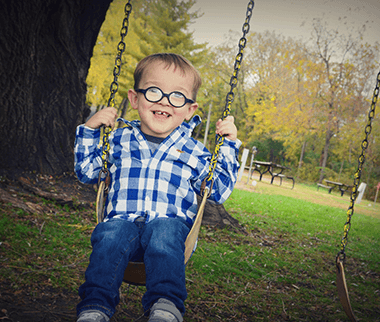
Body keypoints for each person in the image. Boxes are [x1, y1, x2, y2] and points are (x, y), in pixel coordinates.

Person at [74, 53, 241, 322]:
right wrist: (91, 130)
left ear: (189, 110)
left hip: (170, 239)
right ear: (135, 98)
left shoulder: (194, 151)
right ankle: (94, 308)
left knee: (164, 229)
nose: (164, 100)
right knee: (111, 231)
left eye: (177, 96)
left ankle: (165, 307)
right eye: (154, 91)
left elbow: (218, 190)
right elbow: (87, 172)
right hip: (122, 230)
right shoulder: (118, 139)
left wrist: (229, 145)